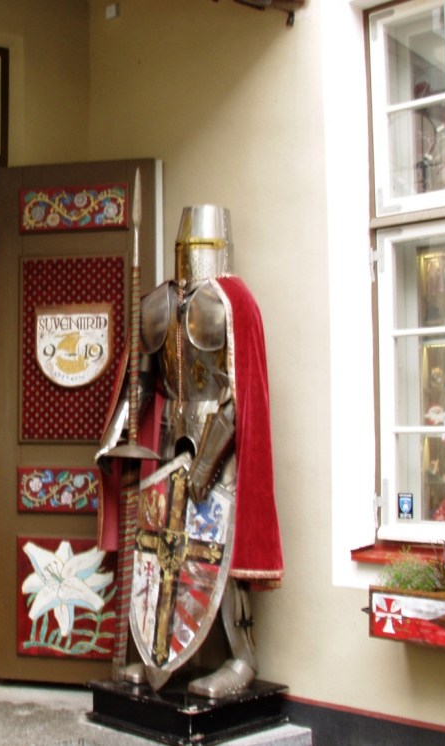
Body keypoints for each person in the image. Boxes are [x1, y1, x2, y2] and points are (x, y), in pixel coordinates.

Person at [96, 205, 283, 696]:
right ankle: (163, 656)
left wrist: (206, 463)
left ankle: (242, 659)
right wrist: (116, 439)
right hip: (166, 444)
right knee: (162, 550)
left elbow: (240, 395)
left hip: (221, 446)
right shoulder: (157, 303)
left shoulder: (234, 304)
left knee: (219, 550)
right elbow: (139, 382)